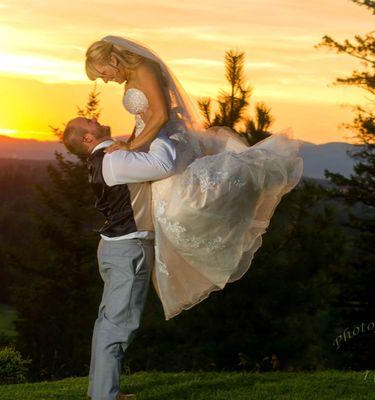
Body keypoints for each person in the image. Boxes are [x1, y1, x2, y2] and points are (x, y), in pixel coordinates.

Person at [84, 35, 304, 321]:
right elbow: (143, 119)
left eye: (102, 73)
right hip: (151, 141)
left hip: (168, 140)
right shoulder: (128, 78)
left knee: (183, 205)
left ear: (111, 60)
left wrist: (131, 147)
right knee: (166, 212)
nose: (104, 80)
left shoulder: (145, 68)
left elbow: (161, 115)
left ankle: (228, 222)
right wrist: (132, 142)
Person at [61, 116, 177, 400]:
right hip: (128, 250)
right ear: (88, 138)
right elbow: (163, 165)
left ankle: (100, 391)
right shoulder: (113, 160)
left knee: (109, 322)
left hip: (119, 249)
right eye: (90, 121)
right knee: (118, 324)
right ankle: (103, 396)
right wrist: (158, 131)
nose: (97, 118)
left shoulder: (111, 157)